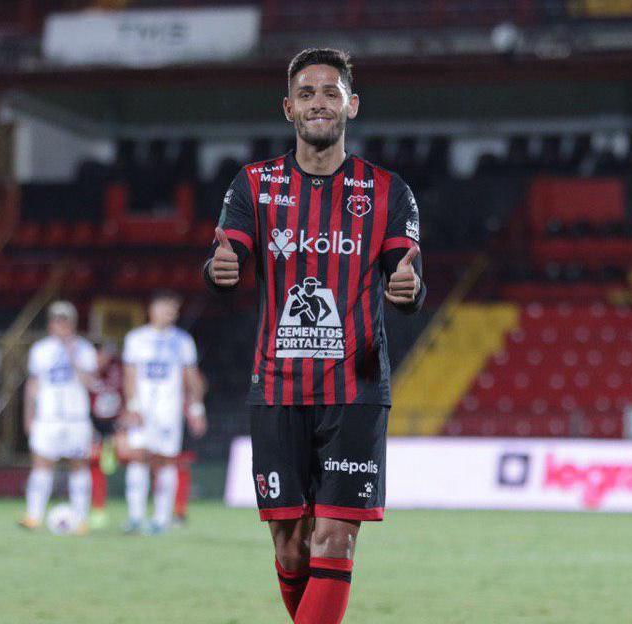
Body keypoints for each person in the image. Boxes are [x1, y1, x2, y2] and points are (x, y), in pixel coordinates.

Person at [203, 48, 425, 623]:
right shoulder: (254, 184)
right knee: (291, 546)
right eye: (306, 93)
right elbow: (228, 257)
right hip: (277, 385)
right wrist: (219, 269)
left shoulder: (388, 190)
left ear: (352, 105)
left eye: (331, 92)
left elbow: (407, 276)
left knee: (335, 539)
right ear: (288, 108)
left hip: (356, 388)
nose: (319, 102)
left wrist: (409, 289)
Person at [120, 290, 207, 535]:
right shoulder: (136, 338)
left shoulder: (182, 341)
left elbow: (192, 378)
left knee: (166, 459)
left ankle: (161, 518)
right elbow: (129, 375)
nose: (170, 313)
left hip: (169, 410)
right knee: (138, 456)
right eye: (166, 307)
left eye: (174, 309)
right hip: (143, 409)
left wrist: (197, 408)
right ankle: (135, 516)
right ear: (153, 308)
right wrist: (132, 406)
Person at [20, 301, 99, 534]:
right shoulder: (40, 350)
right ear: (51, 324)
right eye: (57, 321)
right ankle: (33, 515)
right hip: (48, 417)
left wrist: (72, 356)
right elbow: (33, 385)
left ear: (73, 324)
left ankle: (81, 519)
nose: (61, 325)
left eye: (65, 321)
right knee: (41, 464)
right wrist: (29, 415)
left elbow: (90, 382)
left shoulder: (84, 349)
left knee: (79, 465)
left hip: (76, 417)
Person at [87, 339, 123, 528]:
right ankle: (96, 508)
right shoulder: (85, 372)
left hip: (116, 425)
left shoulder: (119, 369)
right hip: (92, 424)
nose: (104, 358)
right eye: (101, 354)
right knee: (95, 466)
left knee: (109, 465)